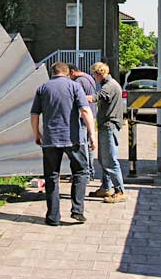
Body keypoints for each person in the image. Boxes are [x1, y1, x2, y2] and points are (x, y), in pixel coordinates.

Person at [30, 61, 96, 226]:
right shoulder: (74, 87)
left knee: (52, 176)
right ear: (67, 73)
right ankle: (77, 210)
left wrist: (36, 134)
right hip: (74, 139)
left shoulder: (43, 88)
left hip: (50, 139)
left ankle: (53, 217)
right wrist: (92, 134)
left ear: (53, 73)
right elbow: (85, 110)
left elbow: (34, 114)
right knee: (80, 172)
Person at [86, 61, 126, 203]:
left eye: (93, 75)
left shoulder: (109, 86)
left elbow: (95, 97)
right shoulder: (109, 84)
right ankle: (105, 188)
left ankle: (120, 190)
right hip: (106, 126)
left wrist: (78, 97)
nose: (93, 77)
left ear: (99, 74)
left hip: (109, 126)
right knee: (104, 160)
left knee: (110, 160)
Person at [68, 64, 97, 180]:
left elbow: (76, 99)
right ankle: (91, 172)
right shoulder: (89, 78)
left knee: (83, 144)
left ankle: (85, 172)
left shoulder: (79, 81)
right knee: (89, 145)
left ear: (72, 72)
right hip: (92, 114)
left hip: (83, 116)